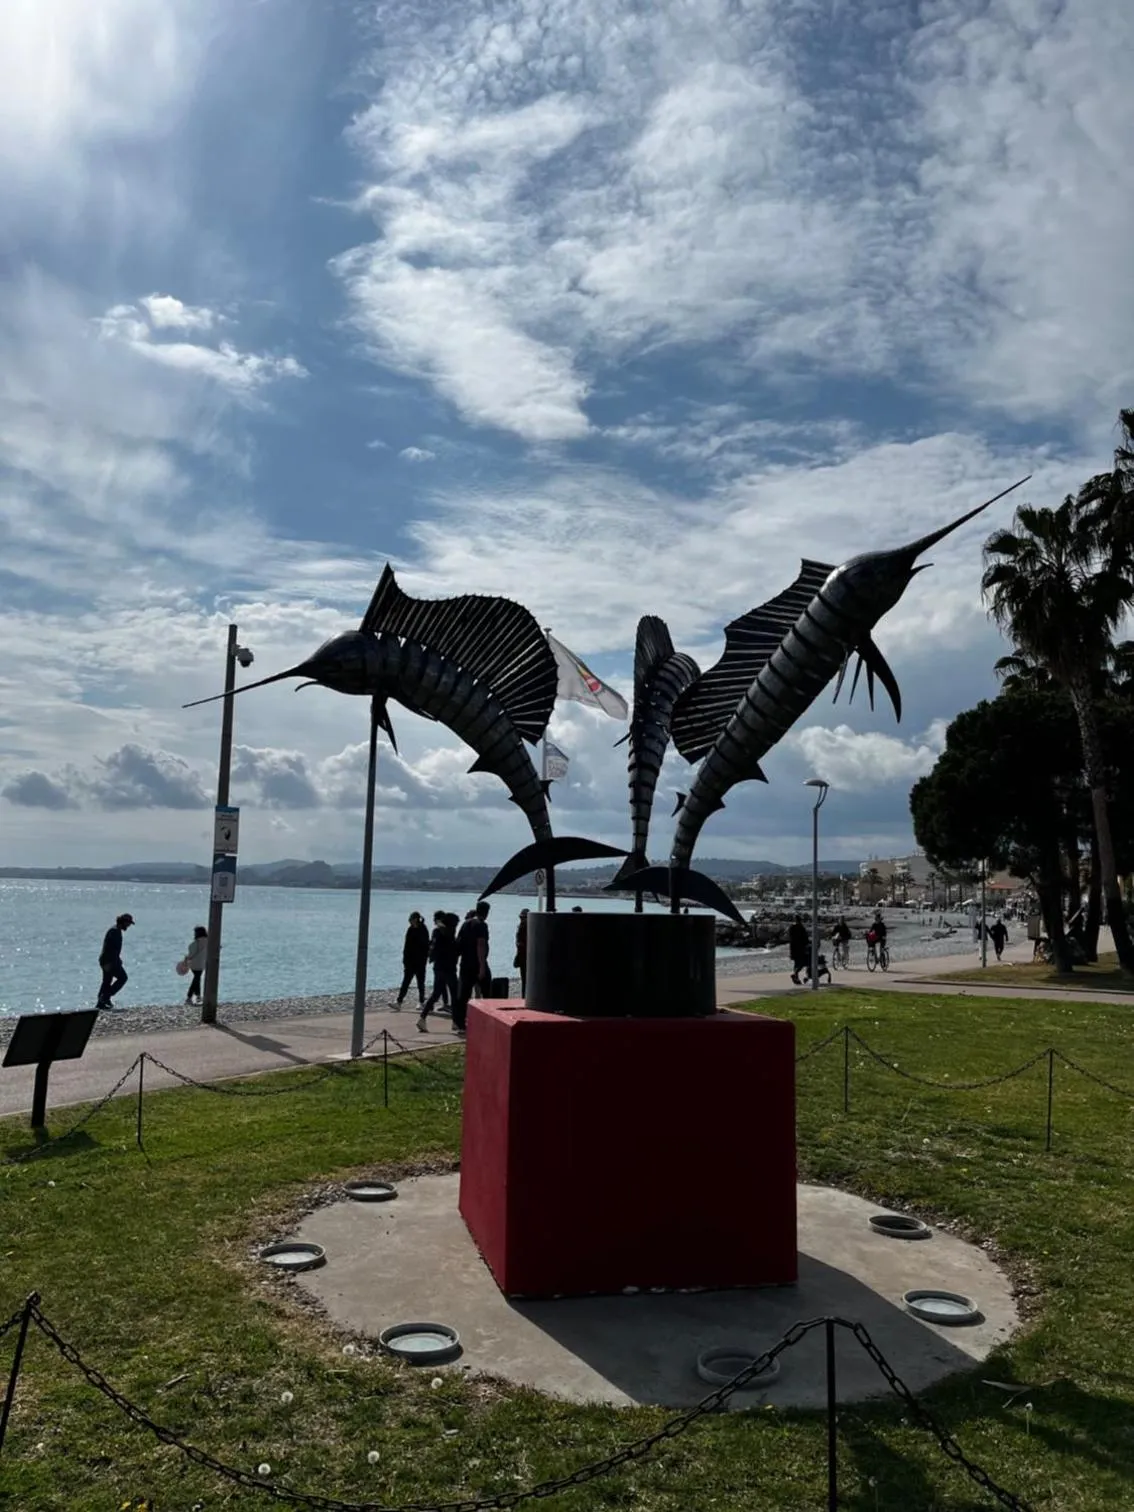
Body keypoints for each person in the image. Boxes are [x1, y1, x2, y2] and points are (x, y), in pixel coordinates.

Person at [453, 900, 491, 1036]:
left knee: (463, 994)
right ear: (486, 912)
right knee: (487, 991)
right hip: (476, 963)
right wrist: (482, 966)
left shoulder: (465, 924)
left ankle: (459, 1023)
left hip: (465, 963)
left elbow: (458, 944)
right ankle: (488, 1019)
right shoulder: (481, 925)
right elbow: (480, 945)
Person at [418, 911, 458, 1032]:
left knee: (436, 994)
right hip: (449, 967)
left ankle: (422, 1018)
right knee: (455, 995)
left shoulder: (436, 932)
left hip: (438, 966)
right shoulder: (450, 932)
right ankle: (456, 1022)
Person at [96, 912, 134, 1009]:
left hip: (107, 960)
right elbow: (110, 949)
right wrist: (112, 962)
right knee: (123, 978)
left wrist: (118, 960)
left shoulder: (115, 930)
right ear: (124, 922)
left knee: (107, 981)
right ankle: (105, 997)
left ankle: (101, 1002)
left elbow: (112, 949)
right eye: (128, 923)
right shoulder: (115, 931)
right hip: (109, 961)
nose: (129, 925)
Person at [395, 912, 430, 1009]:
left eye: (411, 919)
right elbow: (407, 946)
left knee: (420, 982)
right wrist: (405, 959)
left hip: (420, 961)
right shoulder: (410, 930)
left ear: (416, 919)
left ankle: (421, 1002)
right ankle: (399, 1002)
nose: (410, 921)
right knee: (406, 982)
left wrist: (425, 958)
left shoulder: (423, 929)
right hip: (410, 962)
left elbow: (426, 945)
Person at [183, 925, 208, 1005]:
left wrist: (186, 959)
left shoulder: (194, 944)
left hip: (193, 964)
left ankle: (192, 997)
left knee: (196, 979)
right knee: (197, 979)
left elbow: (190, 955)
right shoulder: (209, 941)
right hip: (202, 963)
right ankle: (195, 997)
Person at [787, 915, 809, 985]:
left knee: (796, 963)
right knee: (802, 962)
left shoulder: (791, 927)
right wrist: (807, 943)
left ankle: (796, 977)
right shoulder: (801, 927)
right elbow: (805, 938)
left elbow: (790, 937)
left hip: (793, 948)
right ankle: (795, 974)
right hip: (800, 948)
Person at [514, 908, 529, 996]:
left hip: (526, 957)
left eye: (523, 918)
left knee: (525, 980)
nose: (522, 920)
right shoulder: (522, 927)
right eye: (521, 918)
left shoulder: (523, 928)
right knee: (524, 980)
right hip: (523, 957)